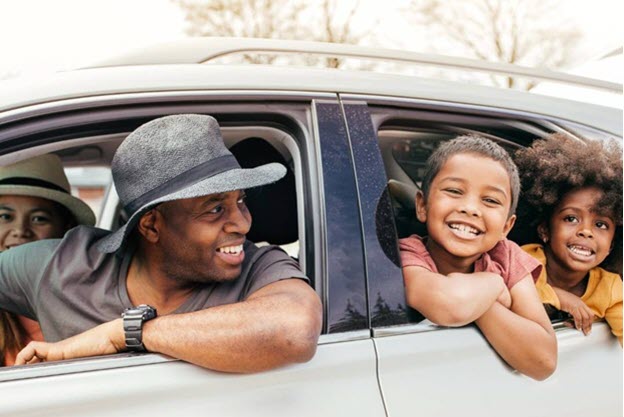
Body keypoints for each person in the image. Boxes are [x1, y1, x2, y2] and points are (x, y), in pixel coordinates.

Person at [0, 114, 322, 372]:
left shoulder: (259, 267)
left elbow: (294, 331)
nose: (243, 222)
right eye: (215, 209)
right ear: (152, 226)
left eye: (241, 201)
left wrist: (124, 333)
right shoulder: (63, 265)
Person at [399, 135, 557, 381]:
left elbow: (544, 361)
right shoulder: (407, 254)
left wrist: (482, 302)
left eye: (490, 200)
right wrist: (494, 285)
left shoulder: (506, 256)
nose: (471, 208)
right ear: (422, 205)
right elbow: (450, 305)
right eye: (454, 191)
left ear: (506, 226)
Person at [515, 133, 622, 346]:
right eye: (571, 218)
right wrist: (560, 297)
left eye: (601, 224)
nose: (586, 231)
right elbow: (507, 288)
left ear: (612, 245)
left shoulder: (609, 287)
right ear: (545, 229)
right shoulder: (523, 260)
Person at [0, 154, 96, 366]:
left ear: (66, 229)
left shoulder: (91, 298)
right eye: (5, 217)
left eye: (39, 219)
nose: (20, 231)